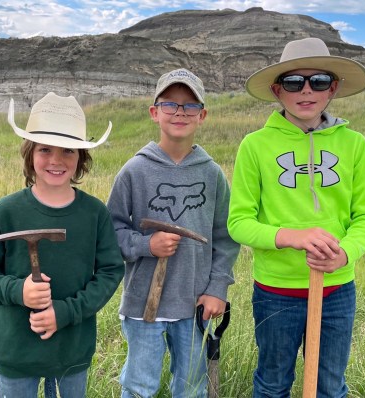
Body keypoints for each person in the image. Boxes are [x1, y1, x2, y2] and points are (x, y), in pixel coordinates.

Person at [227, 38, 365, 397]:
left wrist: (344, 253)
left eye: (317, 81)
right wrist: (292, 237)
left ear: (333, 88)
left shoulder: (354, 144)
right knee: (272, 383)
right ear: (276, 90)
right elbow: (238, 222)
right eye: (293, 82)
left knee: (330, 385)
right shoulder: (255, 145)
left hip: (336, 290)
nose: (306, 91)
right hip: (276, 290)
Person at [0, 92, 124, 398]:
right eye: (45, 149)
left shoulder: (94, 214)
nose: (56, 160)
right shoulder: (6, 211)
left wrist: (65, 312)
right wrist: (17, 291)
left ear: (81, 158)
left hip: (71, 349)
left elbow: (110, 272)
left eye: (68, 151)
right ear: (29, 154)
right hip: (16, 349)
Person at [106, 68, 240, 398]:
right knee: (139, 385)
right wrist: (145, 244)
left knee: (191, 387)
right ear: (155, 112)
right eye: (170, 104)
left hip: (194, 303)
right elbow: (112, 231)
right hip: (143, 304)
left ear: (202, 115)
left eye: (190, 106)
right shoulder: (134, 171)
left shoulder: (212, 175)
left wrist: (217, 288)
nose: (180, 113)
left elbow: (225, 236)